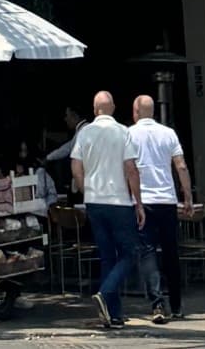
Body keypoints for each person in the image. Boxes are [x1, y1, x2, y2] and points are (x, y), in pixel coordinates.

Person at [71, 90, 144, 330]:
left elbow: (76, 167)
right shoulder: (122, 132)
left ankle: (113, 315)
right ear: (112, 108)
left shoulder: (84, 133)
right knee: (129, 253)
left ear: (95, 110)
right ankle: (106, 292)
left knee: (107, 257)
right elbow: (131, 169)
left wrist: (86, 190)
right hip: (119, 202)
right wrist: (139, 202)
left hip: (94, 201)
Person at [129, 94, 194, 324]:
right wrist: (187, 196)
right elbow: (181, 166)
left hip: (142, 201)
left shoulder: (129, 134)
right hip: (167, 200)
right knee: (170, 252)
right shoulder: (169, 133)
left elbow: (128, 169)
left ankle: (157, 304)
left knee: (147, 252)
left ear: (136, 112)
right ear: (153, 112)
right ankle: (176, 304)